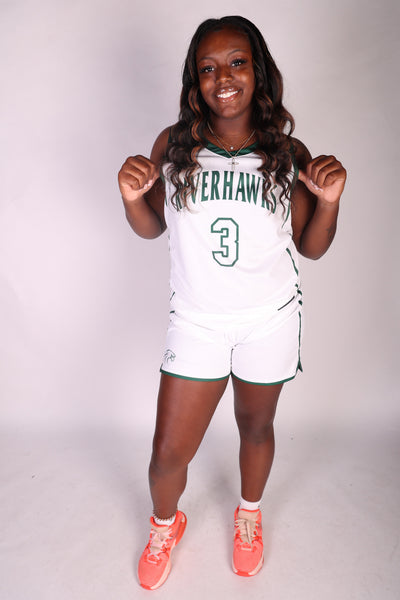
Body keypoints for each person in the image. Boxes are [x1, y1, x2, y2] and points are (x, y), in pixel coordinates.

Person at [118, 15, 346, 590]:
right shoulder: (173, 145)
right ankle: (165, 524)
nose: (223, 78)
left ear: (257, 70)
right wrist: (131, 198)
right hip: (197, 321)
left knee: (255, 426)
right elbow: (151, 228)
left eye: (237, 63)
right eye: (208, 67)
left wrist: (329, 202)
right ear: (195, 81)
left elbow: (311, 247)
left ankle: (249, 514)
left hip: (269, 319)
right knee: (168, 452)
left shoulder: (287, 151)